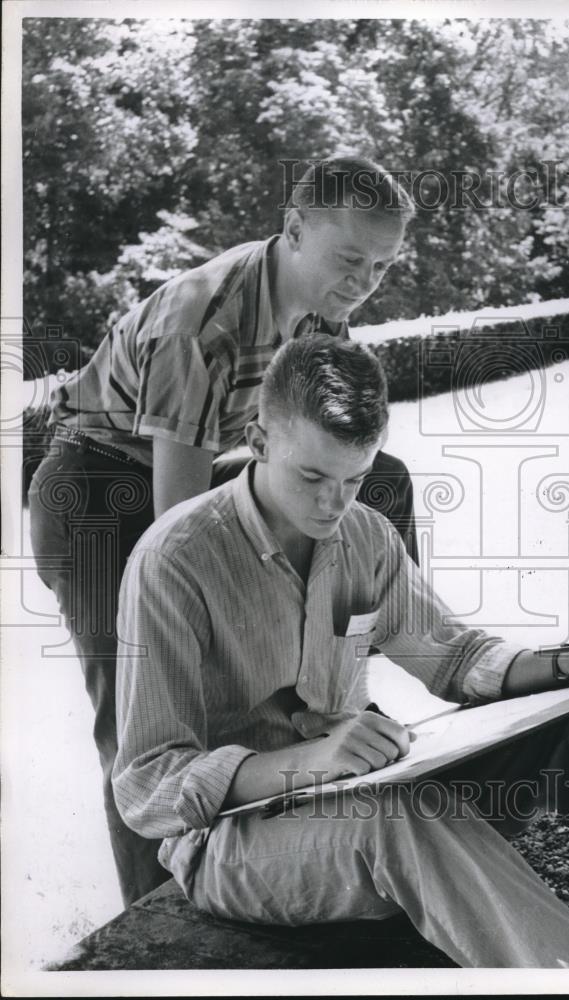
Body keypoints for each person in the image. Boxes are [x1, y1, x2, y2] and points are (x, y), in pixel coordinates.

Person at [113, 335, 569, 968]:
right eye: (312, 475)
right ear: (258, 441)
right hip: (236, 844)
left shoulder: (364, 535)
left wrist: (563, 666)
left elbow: (451, 659)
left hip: (368, 795)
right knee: (398, 815)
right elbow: (145, 784)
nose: (331, 503)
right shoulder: (176, 561)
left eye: (353, 479)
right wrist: (302, 763)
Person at [27, 156, 418, 907]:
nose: (364, 281)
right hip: (98, 493)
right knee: (144, 720)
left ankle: (331, 699)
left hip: (183, 467)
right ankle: (156, 922)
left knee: (388, 477)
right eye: (349, 260)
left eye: (381, 265)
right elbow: (178, 530)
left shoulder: (323, 308)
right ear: (294, 229)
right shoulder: (202, 325)